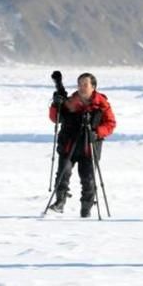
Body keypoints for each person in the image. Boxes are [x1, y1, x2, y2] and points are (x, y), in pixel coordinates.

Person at [48, 73, 116, 217]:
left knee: (88, 179)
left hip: (89, 147)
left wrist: (97, 133)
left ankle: (86, 209)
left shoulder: (102, 104)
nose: (81, 87)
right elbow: (55, 119)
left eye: (85, 84)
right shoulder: (69, 101)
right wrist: (55, 104)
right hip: (69, 144)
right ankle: (60, 202)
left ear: (93, 87)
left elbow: (110, 124)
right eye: (79, 84)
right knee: (62, 173)